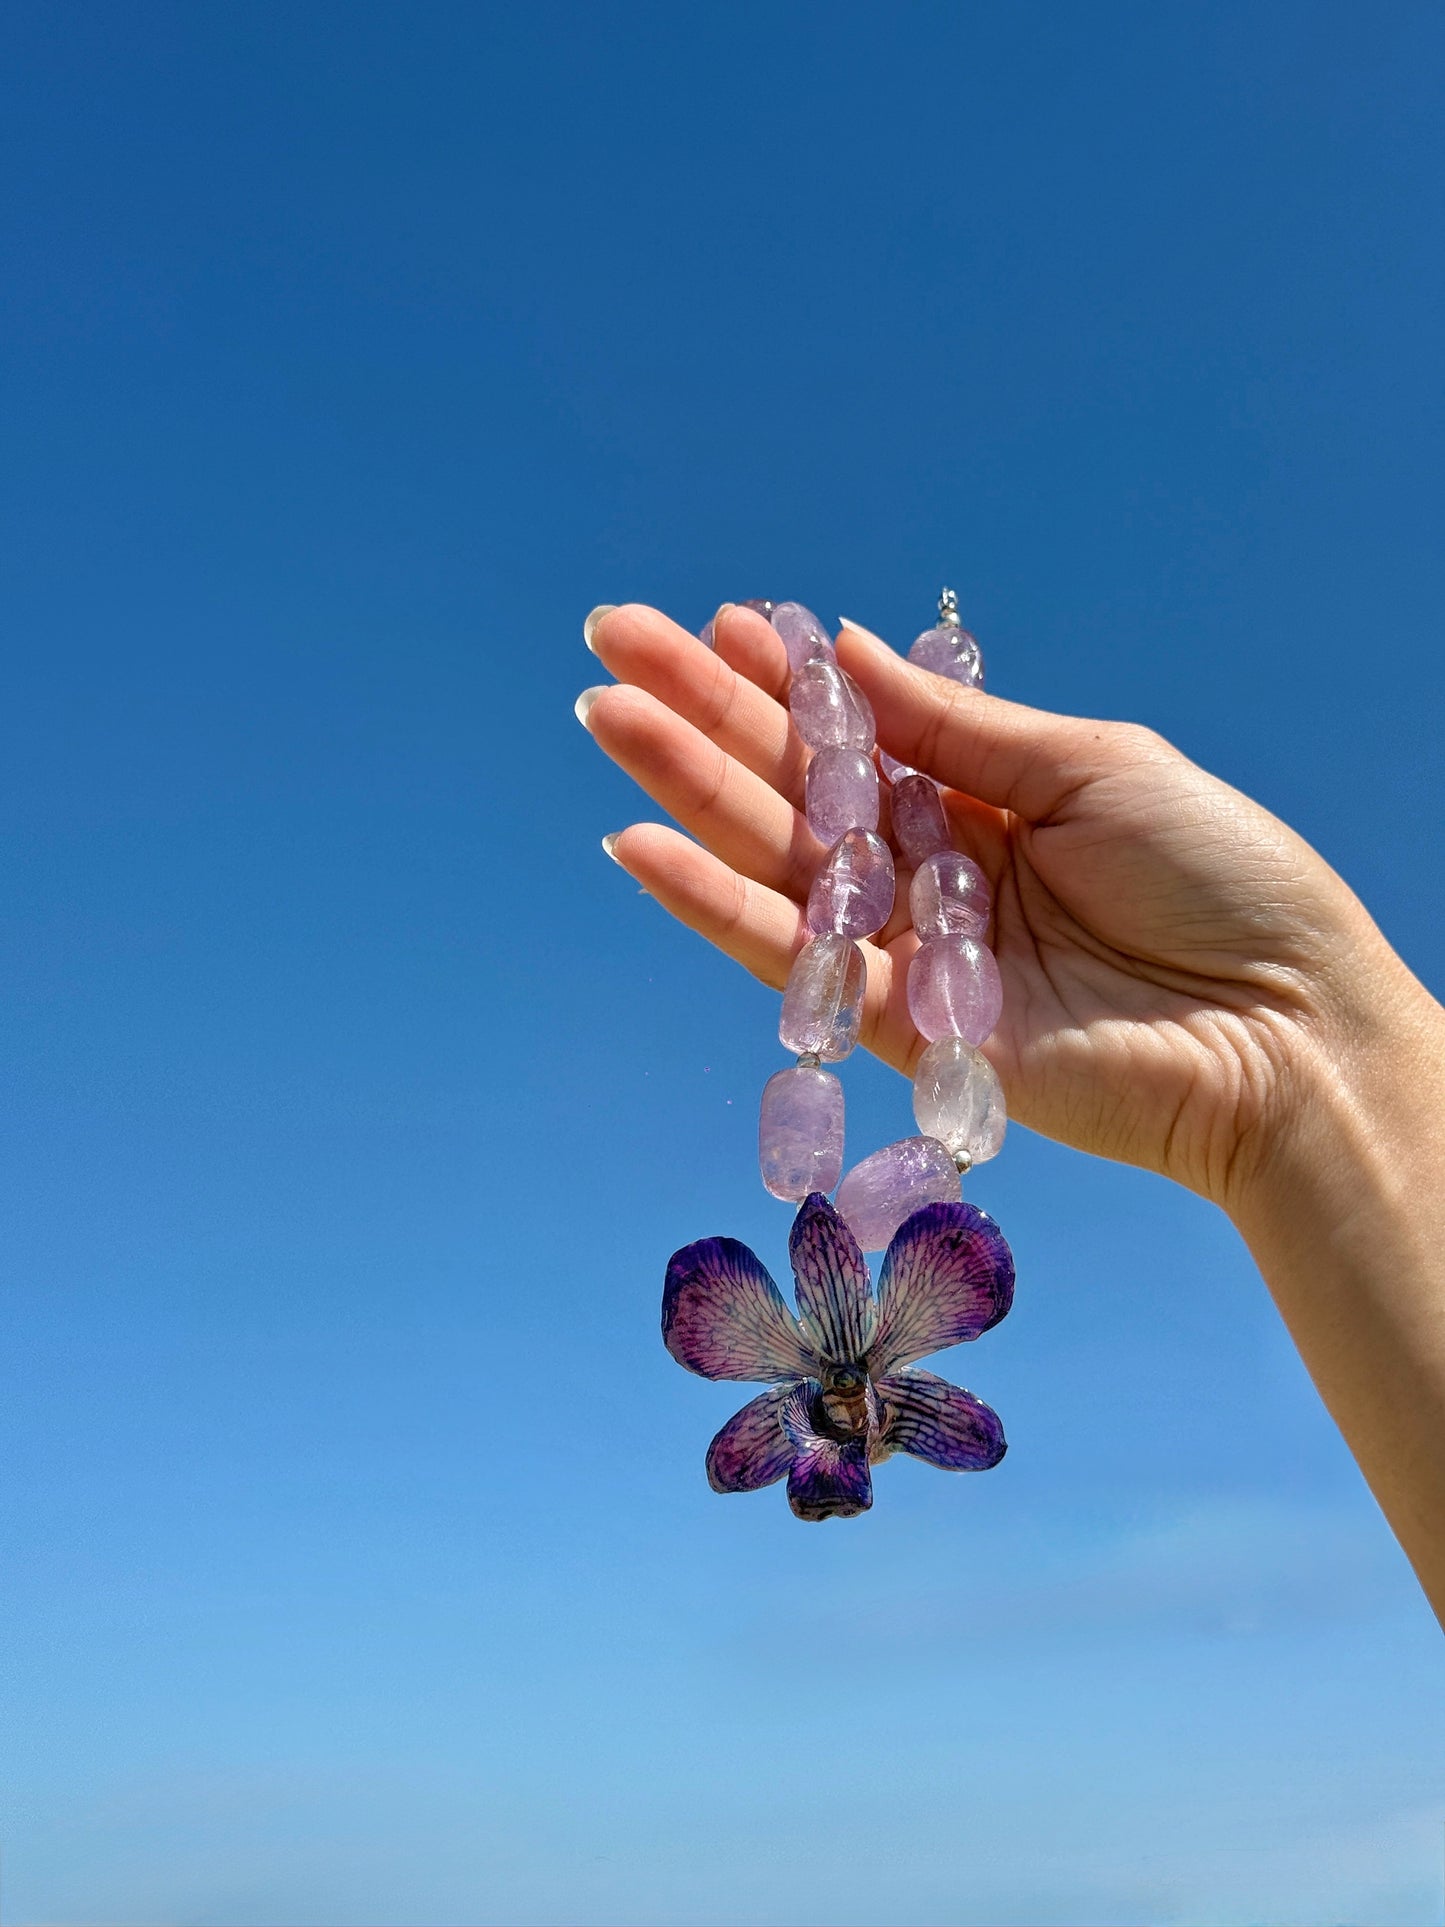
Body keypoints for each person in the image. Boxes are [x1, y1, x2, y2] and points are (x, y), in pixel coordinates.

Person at [576, 600, 1445, 1625]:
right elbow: (917, 1430)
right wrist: (1294, 1061)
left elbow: (875, 1431)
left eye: (836, 1425)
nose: (851, 1421)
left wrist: (1298, 1040)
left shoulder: (824, 1400)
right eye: (865, 1429)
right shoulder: (865, 1394)